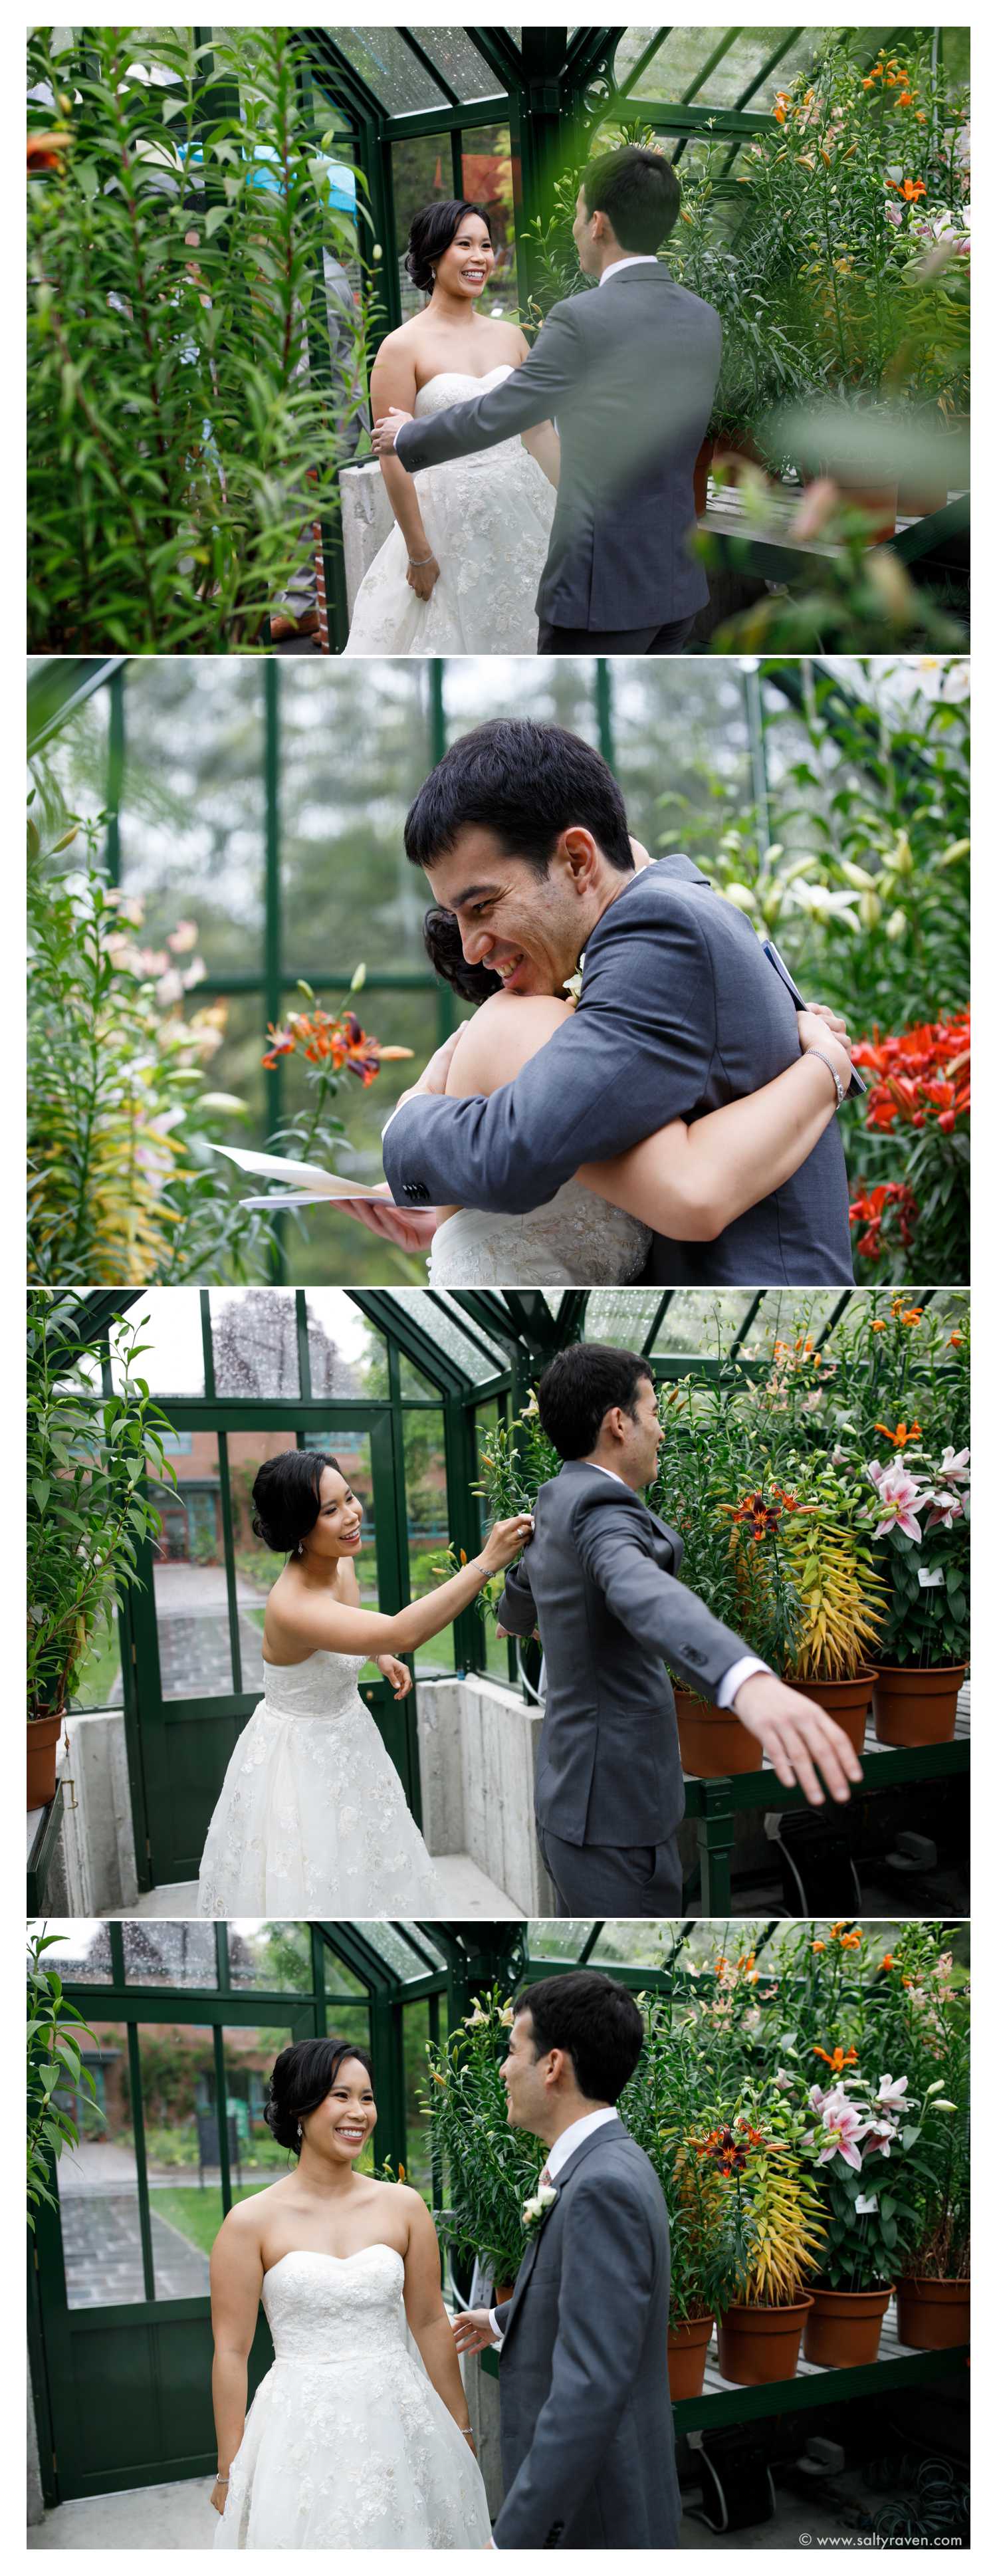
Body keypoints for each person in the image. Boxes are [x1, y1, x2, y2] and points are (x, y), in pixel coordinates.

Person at [377, 719, 855, 1287]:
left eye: (481, 905)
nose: (471, 949)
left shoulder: (657, 929)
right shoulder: (660, 917)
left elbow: (518, 1145)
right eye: (454, 916)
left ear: (579, 860)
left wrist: (407, 1120)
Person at [493, 1344, 863, 1915]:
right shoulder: (601, 1508)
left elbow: (526, 1579)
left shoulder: (556, 1494)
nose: (661, 1431)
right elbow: (642, 1589)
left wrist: (517, 1617)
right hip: (617, 1819)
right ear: (620, 1423)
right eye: (655, 1411)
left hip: (576, 1804)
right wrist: (745, 1679)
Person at [372, 146, 721, 656]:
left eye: (578, 214)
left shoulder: (581, 318)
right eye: (463, 244)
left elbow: (507, 412)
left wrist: (409, 435)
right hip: (678, 581)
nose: (576, 227)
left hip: (602, 591)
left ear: (598, 223)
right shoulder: (701, 316)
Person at [195, 1450, 531, 1915]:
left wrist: (377, 1654)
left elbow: (351, 1628)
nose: (352, 1515)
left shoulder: (340, 1562)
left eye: (349, 1498)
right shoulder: (291, 1605)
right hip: (299, 1762)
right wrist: (487, 1560)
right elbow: (403, 1630)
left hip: (352, 1740)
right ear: (298, 1528)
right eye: (330, 1510)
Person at [210, 2038, 491, 2549]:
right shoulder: (249, 2222)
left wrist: (461, 2426)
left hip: (398, 2424)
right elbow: (231, 2350)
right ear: (299, 2106)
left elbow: (429, 2322)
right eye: (341, 2095)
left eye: (367, 2097)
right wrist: (230, 2467)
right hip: (298, 2431)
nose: (358, 2112)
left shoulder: (405, 2207)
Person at [453, 1972, 681, 2547]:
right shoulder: (612, 2163)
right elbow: (594, 2309)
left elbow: (589, 2387)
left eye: (511, 2051)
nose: (503, 2070)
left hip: (595, 2517)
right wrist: (505, 2320)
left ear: (552, 2065)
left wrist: (515, 2537)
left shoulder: (600, 2186)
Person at [346, 199, 557, 655]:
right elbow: (392, 456)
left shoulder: (512, 336)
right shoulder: (401, 347)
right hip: (447, 520)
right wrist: (419, 551)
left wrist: (578, 506)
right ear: (433, 254)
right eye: (465, 245)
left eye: (486, 245)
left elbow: (539, 431)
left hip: (527, 506)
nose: (480, 257)